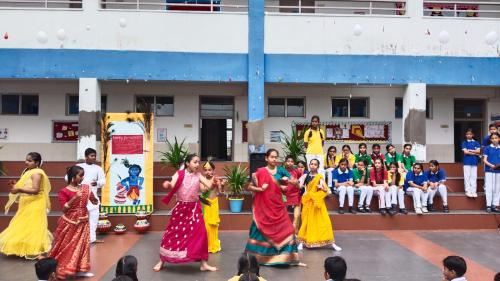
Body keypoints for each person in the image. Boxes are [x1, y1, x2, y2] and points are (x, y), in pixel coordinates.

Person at [155, 154, 217, 272]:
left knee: (202, 233)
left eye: (198, 162)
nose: (197, 164)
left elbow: (208, 187)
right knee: (172, 233)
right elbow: (173, 184)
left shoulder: (199, 175)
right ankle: (162, 260)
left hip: (194, 209)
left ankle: (203, 264)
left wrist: (213, 179)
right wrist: (168, 184)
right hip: (181, 209)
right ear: (187, 163)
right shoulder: (179, 174)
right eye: (195, 162)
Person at [245, 149, 303, 266]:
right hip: (264, 207)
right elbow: (249, 187)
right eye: (272, 157)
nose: (274, 159)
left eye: (276, 157)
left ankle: (288, 258)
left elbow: (296, 183)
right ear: (266, 158)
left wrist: (289, 183)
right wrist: (260, 189)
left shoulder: (281, 170)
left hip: (278, 206)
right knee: (259, 230)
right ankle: (257, 258)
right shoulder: (260, 172)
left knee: (289, 229)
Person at [0, 152, 52, 259]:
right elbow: (27, 185)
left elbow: (36, 190)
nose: (26, 162)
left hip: (35, 202)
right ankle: (24, 249)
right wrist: (17, 184)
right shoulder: (27, 171)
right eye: (26, 160)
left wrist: (19, 189)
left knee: (34, 225)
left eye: (29, 161)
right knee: (23, 224)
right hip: (26, 202)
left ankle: (35, 250)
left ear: (36, 162)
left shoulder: (37, 173)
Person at [49, 165, 98, 279]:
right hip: (70, 222)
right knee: (68, 246)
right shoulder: (64, 191)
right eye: (80, 176)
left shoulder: (85, 188)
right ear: (73, 177)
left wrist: (95, 200)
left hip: (84, 221)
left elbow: (94, 201)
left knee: (83, 245)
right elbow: (64, 209)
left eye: (83, 175)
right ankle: (63, 268)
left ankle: (80, 268)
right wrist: (75, 197)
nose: (82, 178)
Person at [297, 159, 342, 251]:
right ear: (309, 165)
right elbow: (299, 186)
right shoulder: (305, 176)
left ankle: (332, 244)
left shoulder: (320, 177)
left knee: (324, 222)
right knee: (306, 223)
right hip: (308, 202)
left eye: (315, 164)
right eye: (311, 164)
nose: (313, 166)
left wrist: (322, 188)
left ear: (318, 166)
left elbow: (328, 191)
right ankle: (302, 242)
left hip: (317, 203)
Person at [71, 148, 106, 244]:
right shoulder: (78, 166)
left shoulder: (98, 168)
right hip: (79, 196)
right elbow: (67, 177)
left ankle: (92, 238)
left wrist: (97, 183)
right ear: (86, 157)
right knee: (79, 218)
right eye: (92, 156)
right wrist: (76, 183)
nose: (94, 157)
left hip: (92, 196)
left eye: (95, 156)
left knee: (94, 218)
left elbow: (103, 181)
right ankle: (79, 238)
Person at [201, 161, 224, 253]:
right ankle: (205, 245)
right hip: (205, 203)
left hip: (214, 204)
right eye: (205, 170)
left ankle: (213, 245)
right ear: (203, 171)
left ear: (213, 170)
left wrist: (222, 186)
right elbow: (203, 191)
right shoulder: (202, 179)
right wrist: (211, 185)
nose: (207, 172)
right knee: (206, 226)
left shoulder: (216, 179)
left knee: (213, 226)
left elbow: (221, 193)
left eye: (210, 170)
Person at [283, 155, 303, 232]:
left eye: (291, 161)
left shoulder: (297, 171)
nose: (290, 163)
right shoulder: (281, 171)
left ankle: (295, 232)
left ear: (294, 163)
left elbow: (301, 182)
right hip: (284, 195)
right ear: (285, 162)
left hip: (296, 195)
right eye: (288, 161)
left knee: (297, 216)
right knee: (282, 215)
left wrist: (297, 183)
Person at [483, 132, 500, 213]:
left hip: (498, 170)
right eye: (492, 138)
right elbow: (484, 160)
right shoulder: (487, 148)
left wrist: (497, 166)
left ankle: (494, 205)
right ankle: (488, 205)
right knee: (489, 187)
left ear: (499, 139)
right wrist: (492, 166)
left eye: (496, 138)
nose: (494, 140)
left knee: (497, 188)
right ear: (490, 140)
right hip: (489, 170)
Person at [462, 129, 481, 198]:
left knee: (474, 177)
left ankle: (473, 191)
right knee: (467, 177)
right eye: (467, 134)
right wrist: (474, 152)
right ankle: (468, 191)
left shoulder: (476, 142)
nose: (468, 135)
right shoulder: (464, 142)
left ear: (473, 135)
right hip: (466, 162)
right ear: (465, 135)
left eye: (470, 134)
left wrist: (470, 150)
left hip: (474, 162)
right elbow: (465, 152)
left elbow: (479, 151)